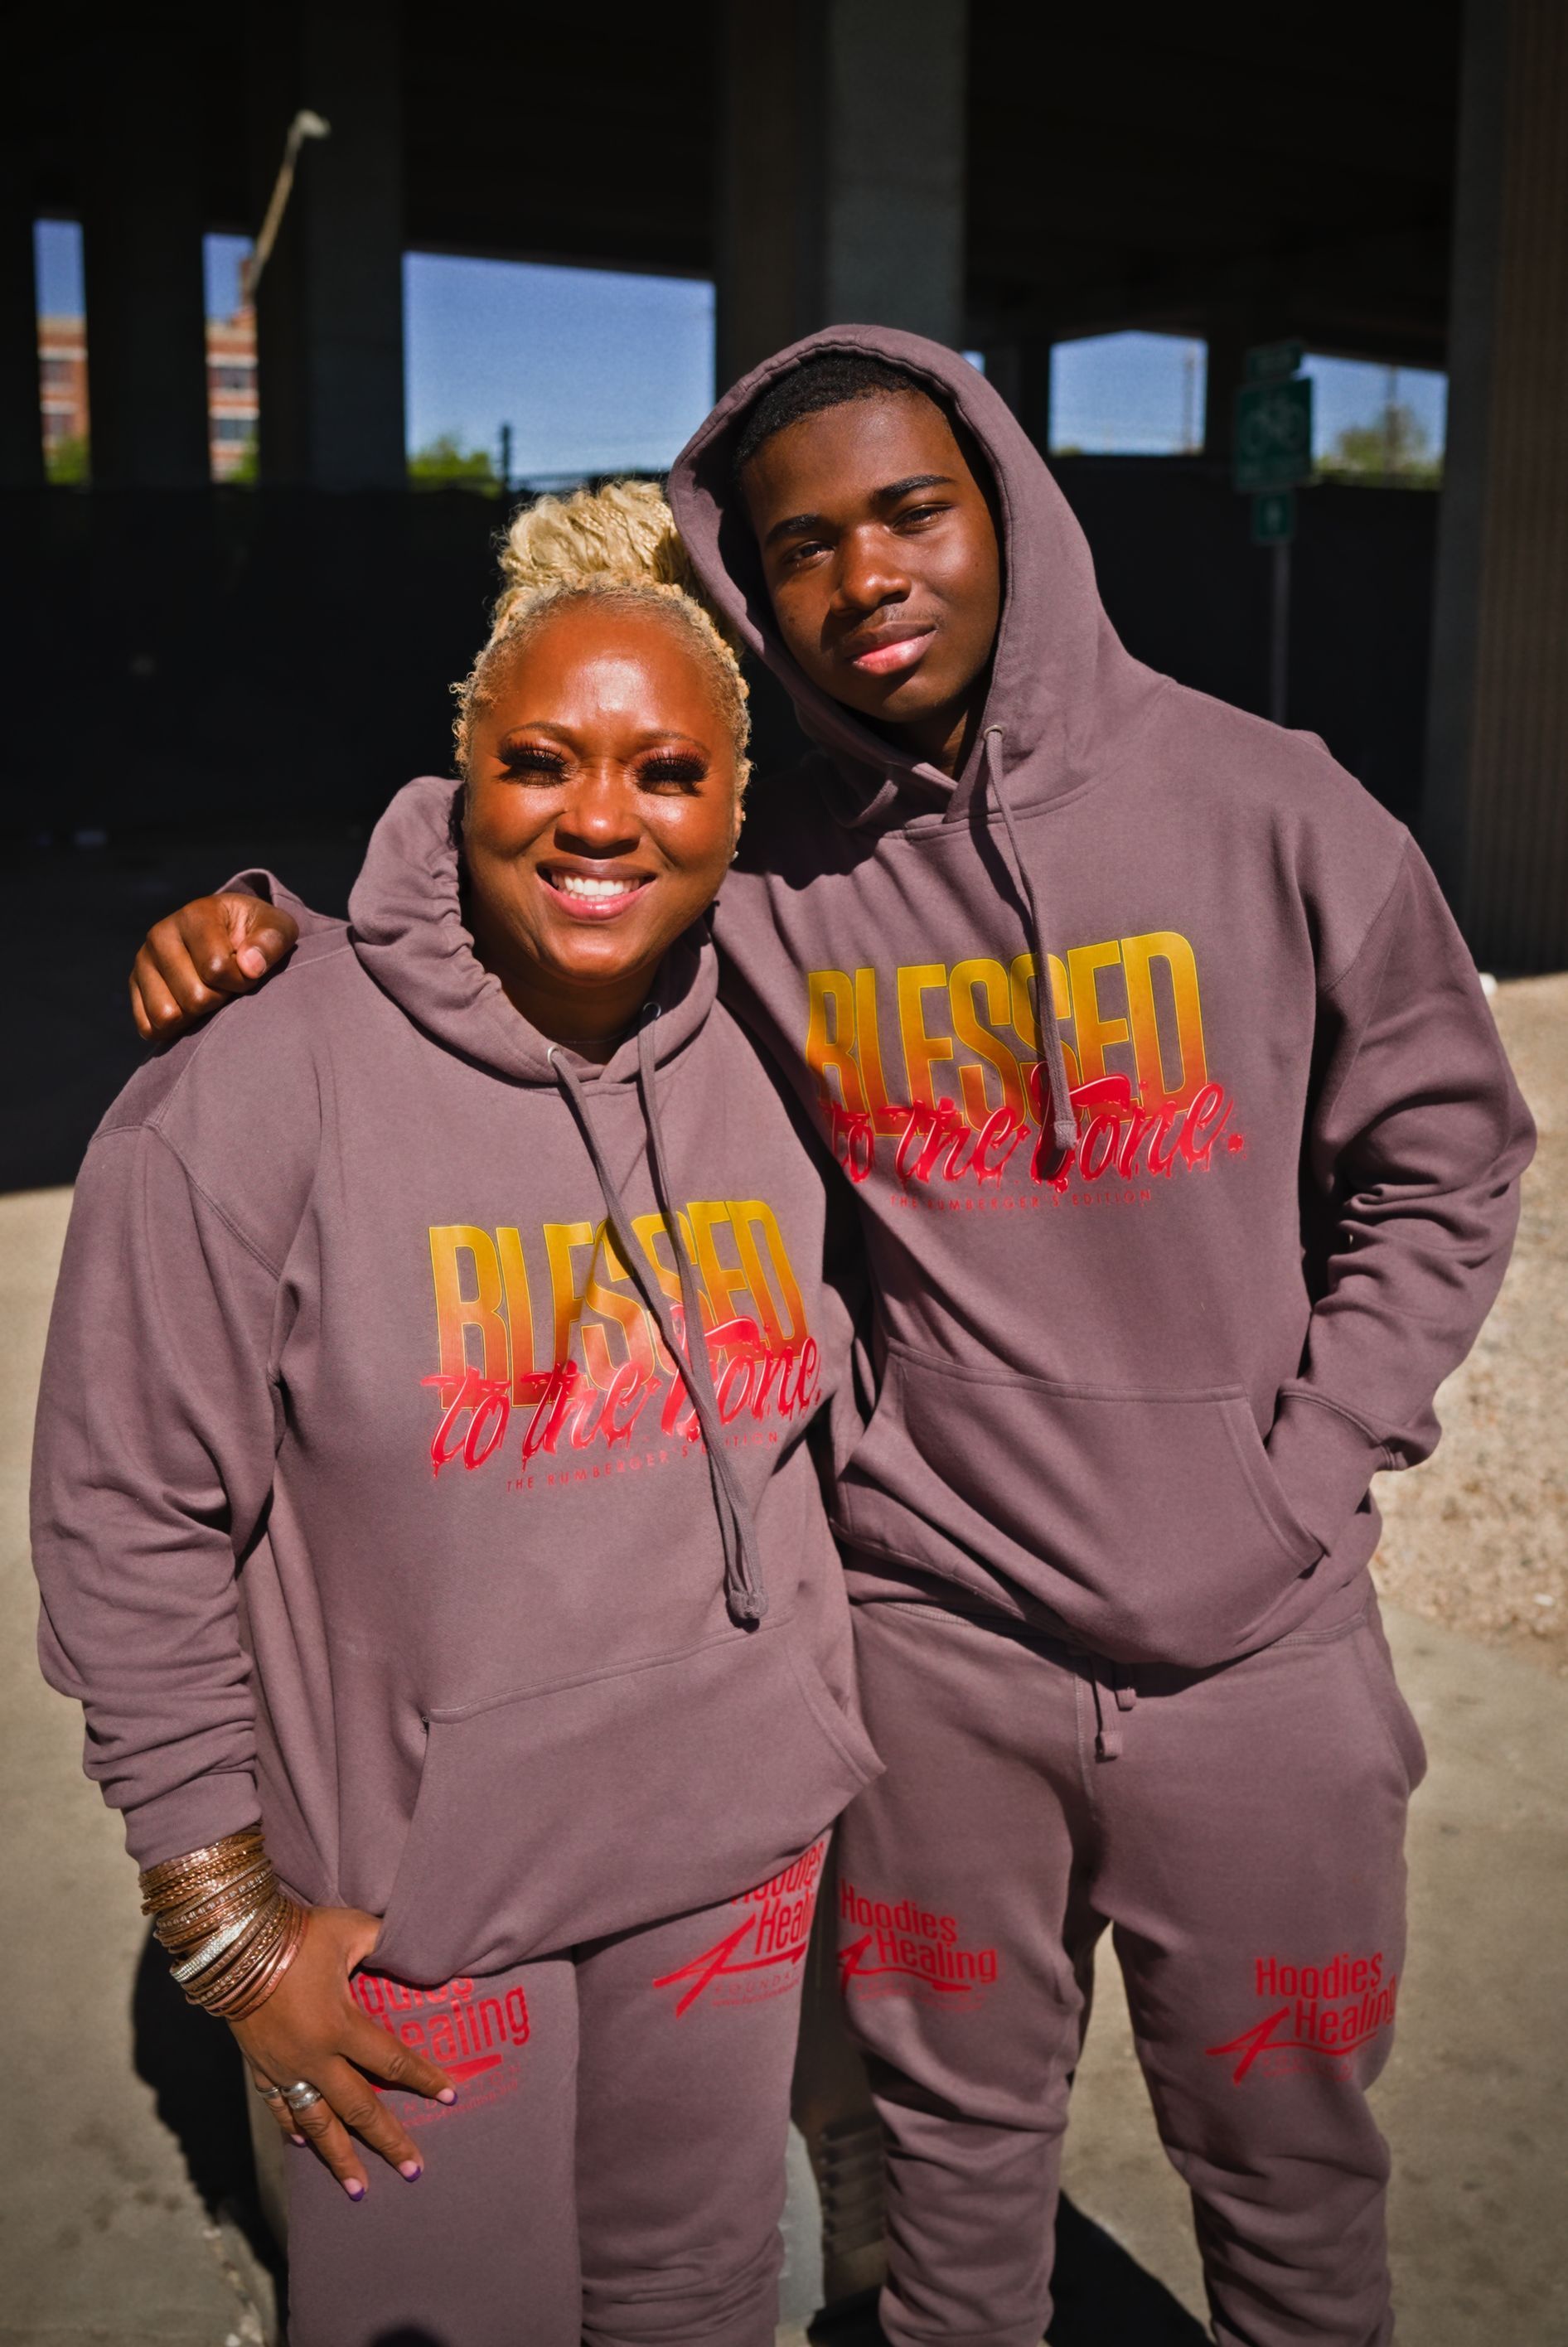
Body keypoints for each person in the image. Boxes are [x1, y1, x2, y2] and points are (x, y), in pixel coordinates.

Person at [126, 330, 1534, 2347]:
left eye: (910, 513)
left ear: (1010, 517)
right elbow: (529, 872)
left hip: (1258, 1663)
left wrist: (1295, 1474)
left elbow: (1447, 1158)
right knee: (956, 2195)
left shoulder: (1275, 811)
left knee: (1295, 2190)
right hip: (935, 1648)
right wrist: (265, 933)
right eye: (800, 546)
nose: (866, 574)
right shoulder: (772, 879)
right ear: (755, 589)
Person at [33, 483, 883, 2347]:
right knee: (445, 2321)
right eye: (543, 761)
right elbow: (124, 1514)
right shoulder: (261, 1078)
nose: (600, 818)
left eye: (666, 772)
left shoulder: (782, 1044)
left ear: (739, 812)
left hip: (731, 1863)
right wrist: (223, 1920)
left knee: (701, 2300)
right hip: (420, 1914)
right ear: (460, 776)